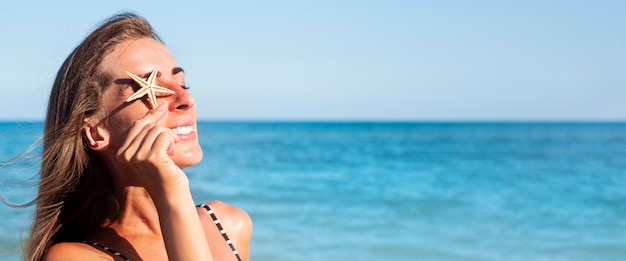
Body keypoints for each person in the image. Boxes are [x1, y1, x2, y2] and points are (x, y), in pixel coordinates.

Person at [24, 12, 252, 261]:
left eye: (182, 84)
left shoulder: (227, 225)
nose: (186, 100)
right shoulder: (76, 257)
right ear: (95, 130)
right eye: (149, 87)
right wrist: (172, 193)